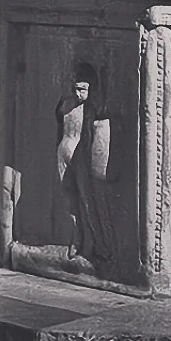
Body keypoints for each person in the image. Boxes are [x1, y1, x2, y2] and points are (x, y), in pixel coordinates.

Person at [56, 66, 112, 266]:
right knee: (69, 199)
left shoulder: (94, 109)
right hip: (64, 150)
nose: (79, 93)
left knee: (88, 201)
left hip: (80, 155)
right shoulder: (67, 103)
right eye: (76, 88)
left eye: (83, 89)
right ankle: (76, 239)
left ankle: (100, 244)